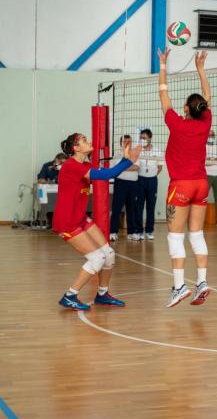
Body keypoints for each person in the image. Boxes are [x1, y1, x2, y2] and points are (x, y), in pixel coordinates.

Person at [53, 132, 141, 311]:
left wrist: (125, 159)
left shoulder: (84, 164)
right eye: (84, 140)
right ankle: (70, 295)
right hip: (66, 221)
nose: (89, 141)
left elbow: (104, 172)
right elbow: (107, 174)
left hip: (80, 217)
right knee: (97, 259)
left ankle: (102, 294)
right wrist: (128, 160)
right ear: (75, 148)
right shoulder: (71, 166)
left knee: (108, 254)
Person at [158, 48, 212, 308]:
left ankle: (179, 287)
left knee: (175, 237)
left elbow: (163, 96)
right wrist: (201, 70)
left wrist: (163, 65)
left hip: (181, 185)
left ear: (185, 109)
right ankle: (202, 281)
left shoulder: (177, 123)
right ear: (202, 109)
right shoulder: (205, 123)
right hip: (202, 185)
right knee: (197, 234)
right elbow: (207, 99)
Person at [110, 135, 140, 241]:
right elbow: (115, 169)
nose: (127, 142)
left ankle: (131, 232)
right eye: (125, 141)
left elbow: (137, 167)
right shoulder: (117, 154)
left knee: (132, 209)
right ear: (121, 143)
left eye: (129, 141)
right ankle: (113, 232)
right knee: (116, 208)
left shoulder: (135, 154)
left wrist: (122, 167)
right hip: (120, 183)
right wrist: (127, 167)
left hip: (133, 184)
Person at [135, 129, 163, 240]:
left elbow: (160, 167)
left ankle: (149, 231)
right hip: (140, 180)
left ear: (150, 138)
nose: (143, 140)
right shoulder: (138, 150)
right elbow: (136, 166)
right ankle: (139, 230)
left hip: (152, 180)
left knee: (151, 206)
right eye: (141, 138)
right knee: (139, 206)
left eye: (145, 138)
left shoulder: (157, 150)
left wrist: (152, 175)